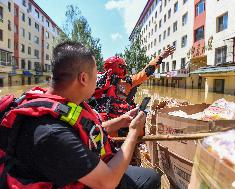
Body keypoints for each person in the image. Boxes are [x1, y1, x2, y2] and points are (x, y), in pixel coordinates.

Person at [0, 41, 160, 189]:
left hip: (78, 161)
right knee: (150, 179)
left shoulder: (58, 101)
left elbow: (84, 129)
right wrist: (133, 132)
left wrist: (122, 120)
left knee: (147, 176)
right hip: (99, 179)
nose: (99, 77)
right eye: (95, 73)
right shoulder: (51, 133)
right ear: (83, 78)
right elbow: (107, 182)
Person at [89, 46, 175, 136]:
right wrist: (160, 57)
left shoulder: (96, 80)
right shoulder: (125, 82)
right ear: (120, 67)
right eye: (123, 67)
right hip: (118, 125)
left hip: (99, 126)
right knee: (142, 121)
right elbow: (145, 72)